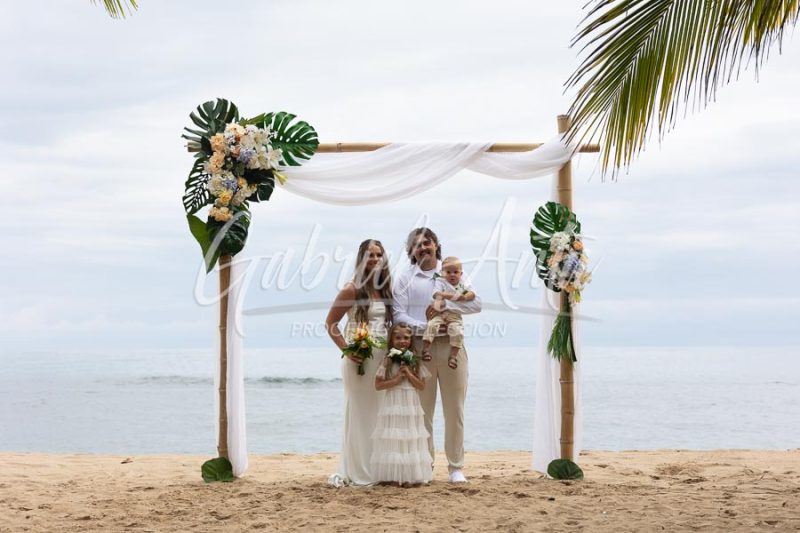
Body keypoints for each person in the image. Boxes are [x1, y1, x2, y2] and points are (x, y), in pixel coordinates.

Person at [393, 228, 481, 483]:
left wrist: (444, 306)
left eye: (427, 243)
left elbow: (476, 304)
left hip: (453, 346)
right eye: (417, 245)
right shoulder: (404, 278)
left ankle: (455, 467)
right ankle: (425, 465)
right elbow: (398, 314)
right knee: (423, 411)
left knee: (455, 409)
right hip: (423, 348)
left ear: (436, 246)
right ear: (411, 251)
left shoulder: (453, 271)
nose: (423, 248)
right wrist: (424, 326)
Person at [326, 239, 393, 487]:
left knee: (379, 413)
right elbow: (330, 324)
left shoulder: (385, 289)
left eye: (379, 255)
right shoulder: (352, 289)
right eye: (370, 255)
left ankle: (379, 467)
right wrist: (347, 349)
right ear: (361, 259)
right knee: (360, 413)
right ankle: (358, 470)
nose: (375, 259)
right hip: (360, 360)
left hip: (382, 360)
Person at [370, 323, 432, 487]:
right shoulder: (387, 360)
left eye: (406, 338)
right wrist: (396, 380)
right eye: (398, 337)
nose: (402, 341)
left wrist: (409, 375)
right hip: (394, 401)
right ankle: (393, 475)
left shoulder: (415, 361)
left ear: (411, 340)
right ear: (391, 340)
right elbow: (378, 385)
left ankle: (409, 476)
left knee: (409, 436)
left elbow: (421, 386)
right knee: (394, 435)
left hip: (410, 402)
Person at [421, 256, 477, 370]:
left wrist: (463, 296)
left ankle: (453, 356)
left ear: (461, 274)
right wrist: (455, 296)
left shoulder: (460, 284)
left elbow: (471, 295)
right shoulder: (441, 281)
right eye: (448, 272)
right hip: (439, 313)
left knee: (457, 332)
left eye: (455, 272)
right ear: (442, 272)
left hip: (454, 315)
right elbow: (436, 294)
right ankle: (426, 349)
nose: (452, 275)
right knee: (431, 326)